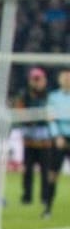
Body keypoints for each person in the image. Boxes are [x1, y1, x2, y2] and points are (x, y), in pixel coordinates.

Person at [16, 67, 57, 216]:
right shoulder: (24, 95)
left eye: (39, 79)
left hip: (45, 140)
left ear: (44, 80)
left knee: (46, 170)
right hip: (29, 140)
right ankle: (27, 196)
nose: (36, 82)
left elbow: (52, 115)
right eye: (34, 79)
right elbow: (20, 114)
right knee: (27, 170)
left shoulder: (50, 96)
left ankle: (45, 197)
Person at [51, 69, 70, 220]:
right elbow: (50, 118)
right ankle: (48, 207)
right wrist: (57, 135)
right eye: (65, 77)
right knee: (53, 173)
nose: (67, 80)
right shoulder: (53, 97)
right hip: (59, 138)